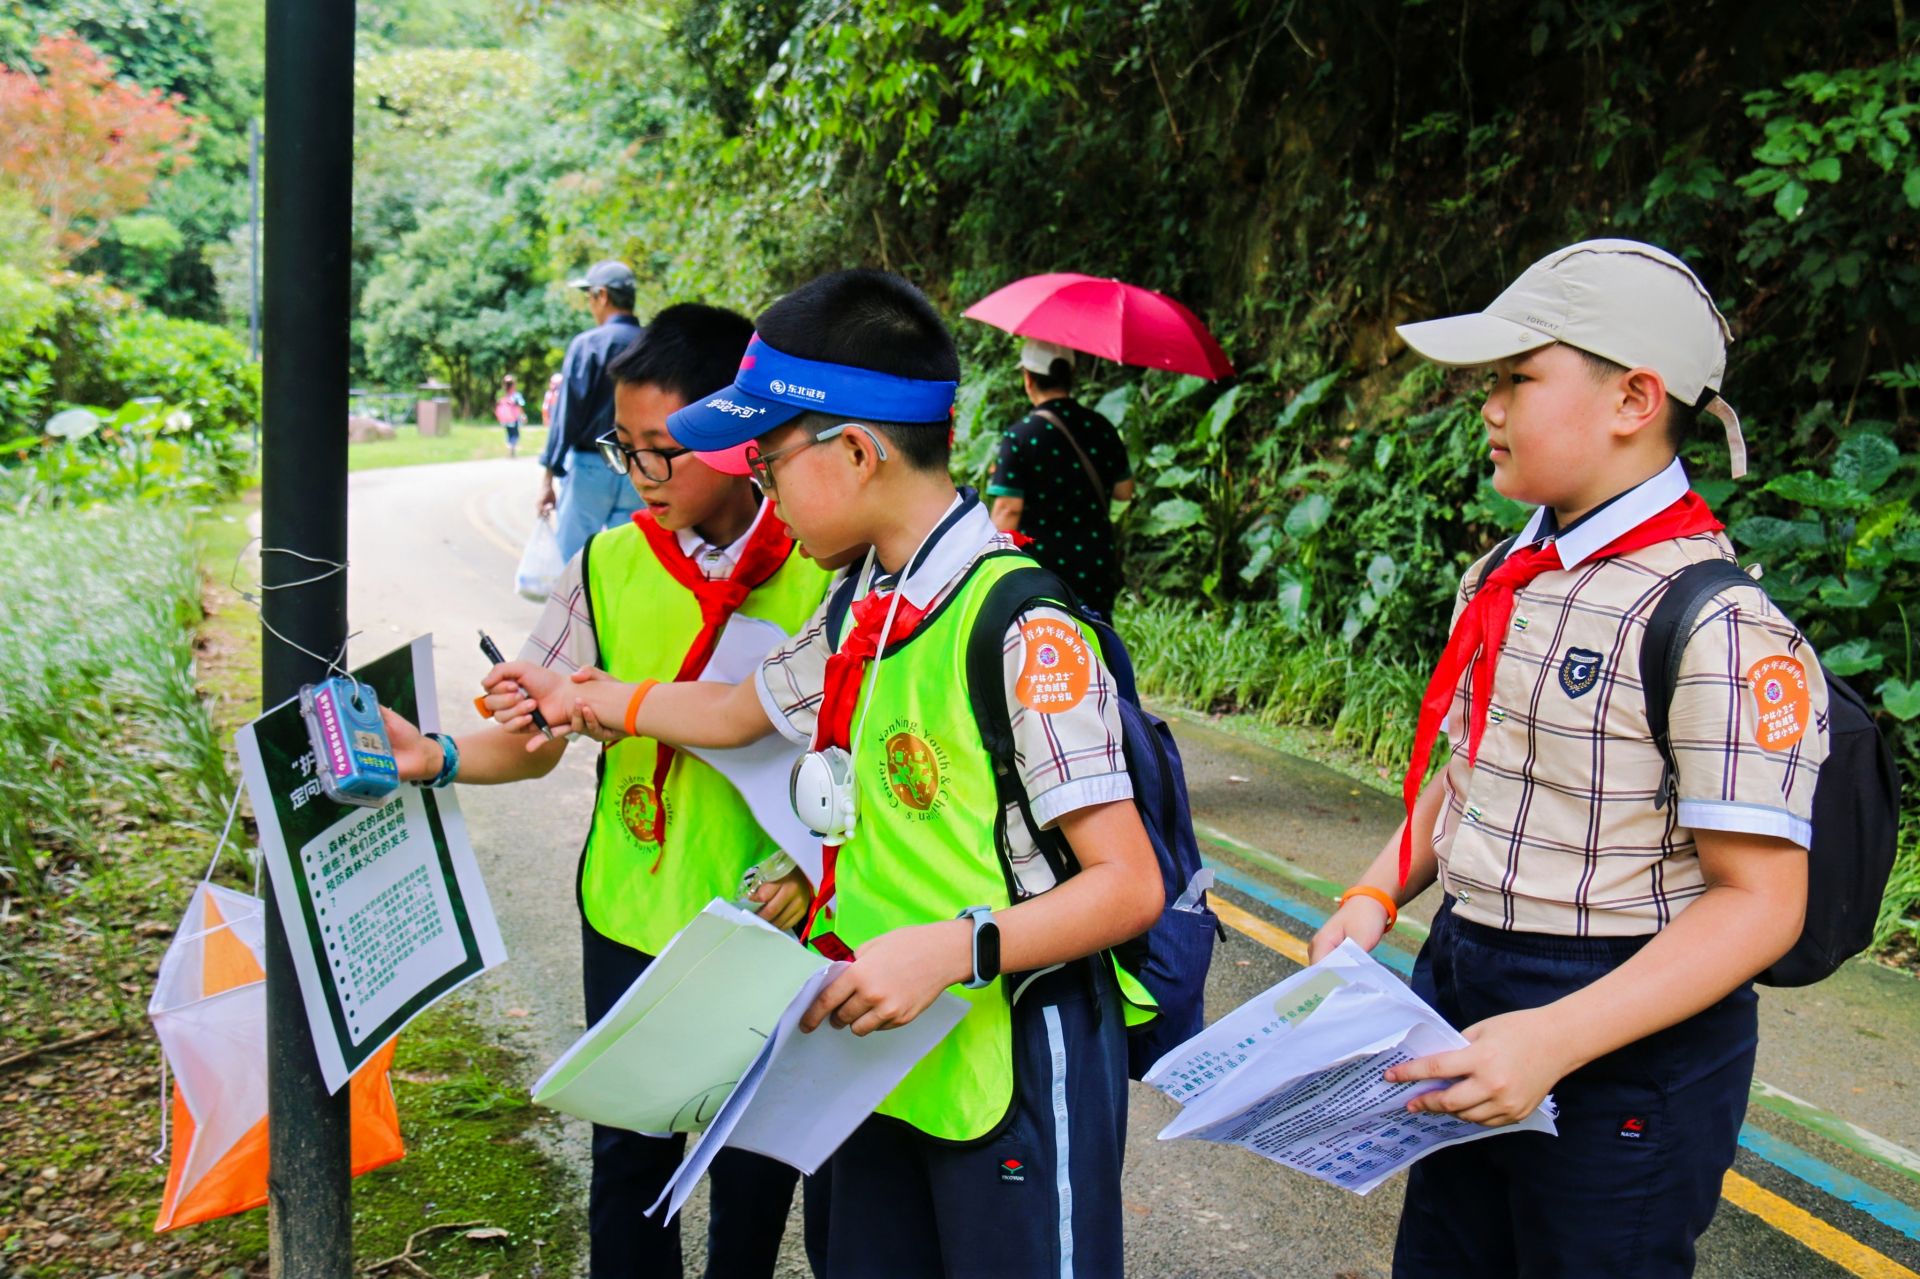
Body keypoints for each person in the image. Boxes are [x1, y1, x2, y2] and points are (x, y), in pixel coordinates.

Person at [482, 270, 1165, 1279]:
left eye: (768, 462)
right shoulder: (862, 605)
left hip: (1006, 1061)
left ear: (855, 451)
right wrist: (578, 692)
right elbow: (731, 708)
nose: (756, 487)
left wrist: (953, 949)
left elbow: (1128, 883)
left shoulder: (1022, 626)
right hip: (874, 1063)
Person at [1309, 240, 1828, 1278]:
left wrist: (1551, 1038)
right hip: (1465, 984)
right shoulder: (1509, 571)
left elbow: (1762, 902)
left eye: (1516, 378)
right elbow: (1480, 766)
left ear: (1634, 398)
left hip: (1624, 1034)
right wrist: (1374, 894)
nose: (1488, 408)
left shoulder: (1717, 621)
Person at [384, 303, 833, 1279]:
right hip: (631, 914)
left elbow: (864, 762)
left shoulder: (826, 567)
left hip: (773, 930)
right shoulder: (608, 565)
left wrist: (818, 867)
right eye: (624, 449)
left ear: (740, 434)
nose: (640, 477)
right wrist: (442, 756)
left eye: (664, 451)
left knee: (754, 1172)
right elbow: (536, 738)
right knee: (630, 1161)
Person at [985, 338, 1134, 620]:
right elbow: (1124, 491)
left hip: (1042, 569)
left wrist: (985, 563)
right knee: (1097, 640)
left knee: (1050, 647)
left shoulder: (1020, 436)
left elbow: (1008, 509)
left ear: (1028, 379)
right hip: (1097, 562)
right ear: (1070, 376)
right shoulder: (1101, 426)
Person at [540, 259, 646, 564]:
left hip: (590, 469)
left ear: (602, 295)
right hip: (636, 469)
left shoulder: (587, 346)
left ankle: (578, 613)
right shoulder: (653, 343)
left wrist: (548, 478)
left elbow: (566, 417)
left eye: (589, 296)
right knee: (625, 560)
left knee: (572, 563)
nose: (590, 304)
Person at [494, 374, 526, 458]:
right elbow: (520, 406)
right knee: (515, 434)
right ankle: (512, 448)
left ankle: (510, 448)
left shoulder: (501, 395)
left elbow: (497, 407)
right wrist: (523, 416)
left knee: (509, 434)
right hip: (514, 419)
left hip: (505, 419)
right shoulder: (516, 395)